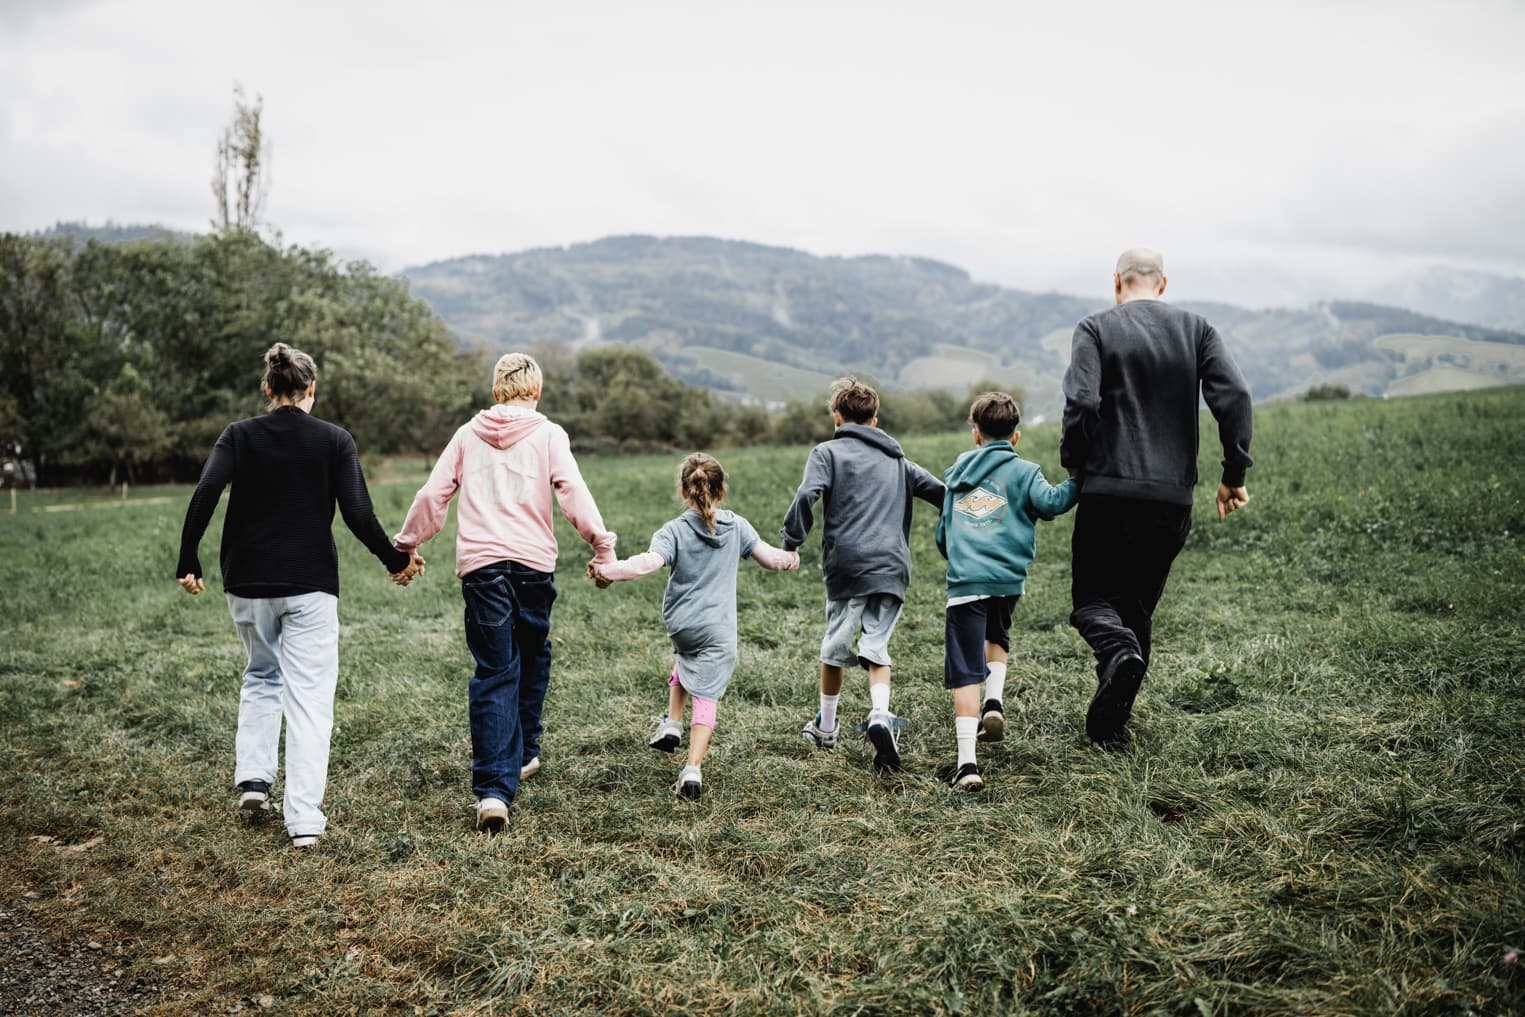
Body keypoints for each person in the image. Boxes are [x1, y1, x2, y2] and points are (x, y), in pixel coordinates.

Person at [175, 342, 422, 850]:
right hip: (310, 585)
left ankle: (254, 780)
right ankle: (304, 821)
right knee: (309, 698)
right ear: (312, 389)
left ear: (268, 389)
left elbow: (205, 491)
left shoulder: (238, 436)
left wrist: (188, 557)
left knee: (261, 674)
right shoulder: (334, 440)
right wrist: (396, 560)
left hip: (245, 581)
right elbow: (357, 512)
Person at [393, 352, 616, 832]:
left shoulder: (466, 435)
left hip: (482, 568)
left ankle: (494, 792)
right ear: (536, 393)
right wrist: (601, 544)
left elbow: (433, 495)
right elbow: (573, 491)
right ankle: (523, 753)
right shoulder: (549, 433)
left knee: (496, 670)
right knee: (533, 655)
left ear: (496, 392)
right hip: (534, 565)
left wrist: (407, 544)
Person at [1060, 247, 1253, 750]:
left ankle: (1117, 655)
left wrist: (1073, 458)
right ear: (1162, 284)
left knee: (1093, 602)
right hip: (1172, 499)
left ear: (1117, 282)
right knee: (1137, 606)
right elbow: (1234, 397)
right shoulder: (1197, 329)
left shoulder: (1095, 328)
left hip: (1108, 490)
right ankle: (1110, 728)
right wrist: (1233, 472)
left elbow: (1081, 401)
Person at [591, 453, 799, 798]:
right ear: (722, 490)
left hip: (681, 625)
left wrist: (607, 570)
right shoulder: (739, 527)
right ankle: (692, 769)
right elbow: (772, 560)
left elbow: (647, 564)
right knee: (707, 694)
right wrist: (791, 556)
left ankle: (672, 723)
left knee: (687, 659)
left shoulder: (673, 530)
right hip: (717, 629)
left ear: (684, 490)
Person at [781, 377, 945, 773]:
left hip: (847, 566)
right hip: (892, 566)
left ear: (837, 417)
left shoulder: (827, 453)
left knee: (835, 646)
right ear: (875, 419)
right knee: (877, 647)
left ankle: (827, 725)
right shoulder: (899, 462)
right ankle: (879, 715)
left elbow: (806, 495)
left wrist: (792, 540)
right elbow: (944, 493)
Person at [935, 392, 1077, 789]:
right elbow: (1050, 503)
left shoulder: (956, 474)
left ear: (975, 433)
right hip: (1007, 580)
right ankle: (994, 701)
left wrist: (958, 553)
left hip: (966, 582)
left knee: (965, 670)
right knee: (997, 636)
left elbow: (943, 534)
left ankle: (967, 765)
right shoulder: (1025, 470)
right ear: (1015, 436)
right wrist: (1080, 480)